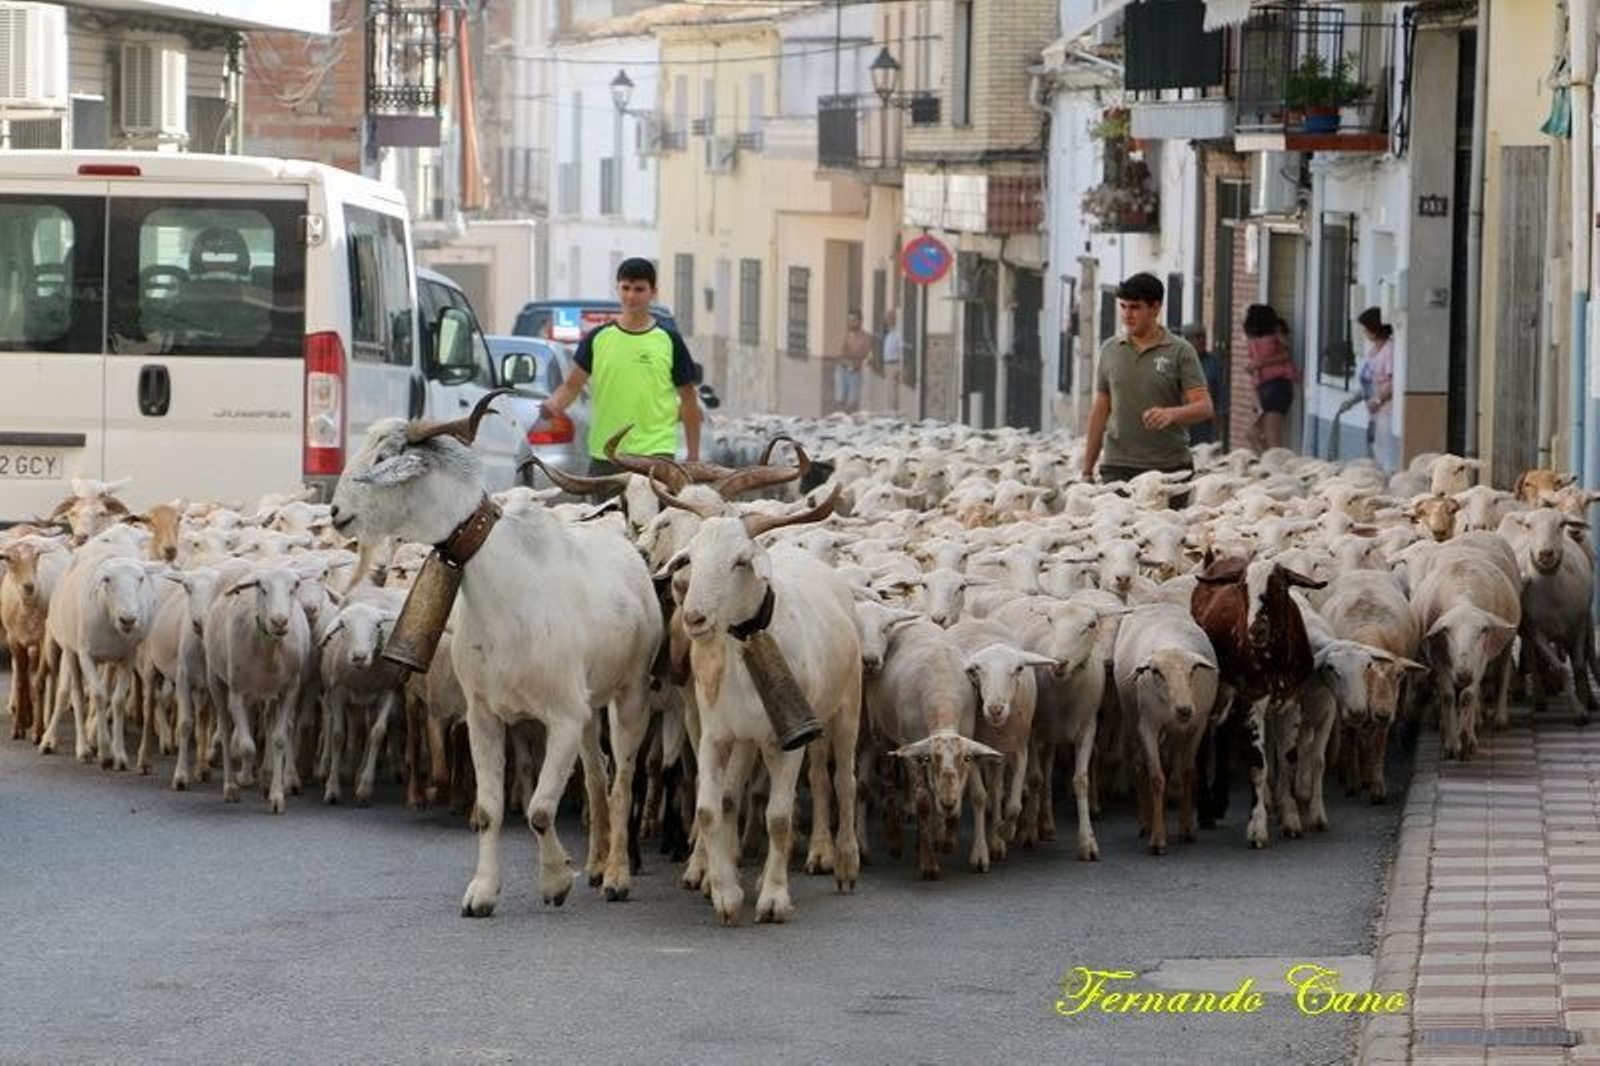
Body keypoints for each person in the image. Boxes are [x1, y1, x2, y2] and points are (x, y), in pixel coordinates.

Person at [540, 257, 701, 482]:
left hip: (655, 454)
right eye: (625, 288)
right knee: (605, 517)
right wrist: (552, 406)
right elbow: (571, 386)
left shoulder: (669, 341)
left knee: (652, 518)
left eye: (639, 289)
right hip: (607, 454)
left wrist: (693, 454)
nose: (631, 296)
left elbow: (688, 399)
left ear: (653, 292)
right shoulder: (598, 339)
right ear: (617, 289)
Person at [1080, 273, 1214, 507]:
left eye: (1135, 307)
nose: (1126, 315)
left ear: (1155, 308)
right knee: (1115, 539)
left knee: (1166, 539)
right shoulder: (1110, 349)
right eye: (1123, 307)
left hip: (1169, 469)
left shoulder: (1180, 351)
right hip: (1118, 468)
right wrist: (1087, 470)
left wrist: (1172, 414)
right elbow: (1101, 409)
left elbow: (1204, 407)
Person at [1346, 306, 1397, 472]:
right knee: (1376, 450)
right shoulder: (1373, 351)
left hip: (1386, 409)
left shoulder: (1389, 350)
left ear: (1374, 328)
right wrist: (1353, 400)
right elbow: (1367, 382)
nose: (1364, 332)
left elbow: (1393, 380)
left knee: (1385, 453)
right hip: (1374, 410)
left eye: (1365, 328)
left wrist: (1378, 399)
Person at [1244, 303, 1296, 451]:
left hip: (1278, 385)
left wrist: (1259, 363)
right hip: (1263, 387)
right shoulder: (1254, 339)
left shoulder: (1275, 334)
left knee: (1272, 437)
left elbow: (1286, 354)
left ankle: (1275, 469)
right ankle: (1268, 466)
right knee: (1253, 433)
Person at [1179, 322, 1226, 446]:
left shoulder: (1214, 362)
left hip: (1205, 421)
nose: (1202, 340)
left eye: (1204, 336)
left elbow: (1221, 391)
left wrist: (1219, 417)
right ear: (1187, 340)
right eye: (1197, 337)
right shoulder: (1178, 362)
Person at [834, 309, 871, 413]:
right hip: (842, 368)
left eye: (853, 320)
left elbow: (863, 354)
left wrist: (853, 357)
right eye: (849, 320)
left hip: (855, 371)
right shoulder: (846, 335)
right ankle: (840, 420)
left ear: (860, 321)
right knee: (840, 399)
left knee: (852, 401)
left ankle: (848, 421)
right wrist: (851, 357)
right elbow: (842, 353)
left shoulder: (866, 337)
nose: (850, 323)